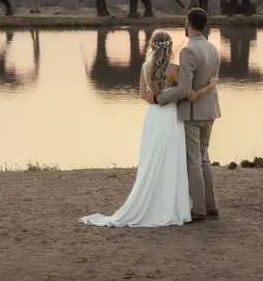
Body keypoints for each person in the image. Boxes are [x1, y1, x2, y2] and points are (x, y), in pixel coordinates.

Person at [80, 29, 219, 227]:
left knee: (153, 159)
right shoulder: (175, 70)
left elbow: (144, 96)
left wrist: (155, 98)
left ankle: (152, 201)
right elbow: (189, 95)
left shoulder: (145, 67)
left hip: (153, 119)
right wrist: (210, 86)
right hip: (171, 119)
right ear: (170, 47)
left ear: (152, 46)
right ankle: (173, 206)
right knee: (172, 162)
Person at [156, 8, 221, 222]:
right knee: (203, 158)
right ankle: (211, 207)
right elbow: (211, 81)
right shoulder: (213, 48)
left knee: (193, 160)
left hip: (193, 113)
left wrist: (160, 97)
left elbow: (184, 88)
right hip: (210, 110)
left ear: (188, 23)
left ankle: (199, 210)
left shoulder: (188, 51)